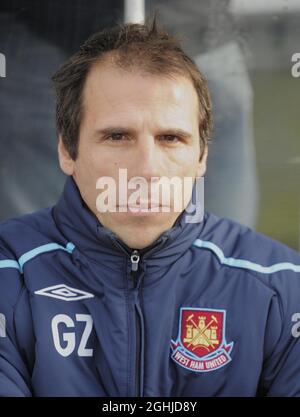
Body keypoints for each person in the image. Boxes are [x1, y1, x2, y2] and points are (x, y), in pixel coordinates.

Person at [0, 18, 300, 397]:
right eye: (117, 136)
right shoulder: (9, 274)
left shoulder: (284, 287)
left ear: (203, 156)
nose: (146, 169)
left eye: (171, 138)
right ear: (67, 149)